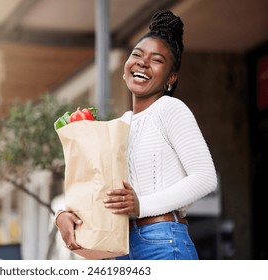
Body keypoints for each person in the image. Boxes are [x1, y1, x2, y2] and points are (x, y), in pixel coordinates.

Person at [55, 9, 217, 260]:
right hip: (120, 245)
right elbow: (96, 187)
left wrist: (142, 204)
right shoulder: (119, 125)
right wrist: (62, 215)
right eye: (137, 55)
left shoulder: (169, 108)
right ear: (125, 68)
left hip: (163, 241)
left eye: (157, 60)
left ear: (171, 78)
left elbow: (205, 178)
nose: (143, 62)